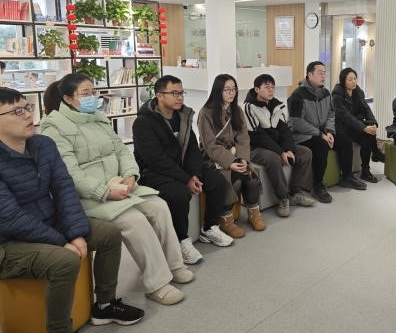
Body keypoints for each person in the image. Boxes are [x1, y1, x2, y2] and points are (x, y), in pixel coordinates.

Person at [0, 87, 144, 333]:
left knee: (109, 234)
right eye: (17, 111)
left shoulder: (43, 145)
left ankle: (104, 305)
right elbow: (9, 218)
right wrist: (61, 241)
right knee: (65, 260)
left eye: (28, 107)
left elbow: (64, 188)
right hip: (9, 242)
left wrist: (75, 233)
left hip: (48, 222)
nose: (28, 115)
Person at [41, 74, 193, 307]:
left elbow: (121, 150)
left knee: (159, 206)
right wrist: (104, 192)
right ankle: (157, 284)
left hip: (120, 185)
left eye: (94, 92)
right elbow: (70, 173)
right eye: (86, 94)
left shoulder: (99, 118)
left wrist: (131, 175)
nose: (93, 98)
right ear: (68, 98)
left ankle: (174, 265)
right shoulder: (54, 129)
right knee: (134, 220)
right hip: (91, 196)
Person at [133, 75, 232, 256]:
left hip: (183, 167)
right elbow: (155, 160)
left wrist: (194, 175)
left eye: (181, 93)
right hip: (154, 172)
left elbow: (193, 149)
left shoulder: (183, 116)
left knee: (217, 180)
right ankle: (181, 240)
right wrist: (186, 179)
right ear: (159, 95)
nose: (180, 97)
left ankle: (209, 227)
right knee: (179, 193)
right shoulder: (143, 122)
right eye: (174, 93)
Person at [288, 61, 366, 203]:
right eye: (320, 73)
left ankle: (347, 176)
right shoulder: (297, 95)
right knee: (321, 145)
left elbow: (331, 114)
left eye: (324, 73)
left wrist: (329, 131)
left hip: (322, 131)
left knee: (344, 140)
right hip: (302, 135)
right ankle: (318, 185)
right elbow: (296, 122)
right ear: (309, 74)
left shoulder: (326, 93)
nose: (323, 76)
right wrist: (320, 134)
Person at [198, 74, 265, 236]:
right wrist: (230, 162)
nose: (231, 93)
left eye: (234, 89)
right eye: (227, 89)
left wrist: (243, 159)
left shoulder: (237, 110)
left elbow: (243, 138)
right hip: (213, 158)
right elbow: (209, 145)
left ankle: (254, 213)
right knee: (234, 180)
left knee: (251, 177)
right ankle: (226, 219)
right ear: (218, 91)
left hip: (236, 155)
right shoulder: (206, 113)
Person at [243, 74, 316, 217]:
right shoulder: (248, 107)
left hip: (275, 145)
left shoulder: (277, 105)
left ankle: (295, 192)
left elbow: (284, 130)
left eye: (273, 87)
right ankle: (283, 198)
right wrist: (280, 152)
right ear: (257, 89)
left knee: (305, 152)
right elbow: (258, 136)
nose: (271, 90)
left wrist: (288, 149)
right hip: (255, 147)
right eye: (266, 87)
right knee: (273, 158)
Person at [332, 67, 384, 184]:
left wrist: (373, 123)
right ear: (343, 81)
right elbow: (345, 116)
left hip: (354, 126)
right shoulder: (337, 94)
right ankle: (347, 176)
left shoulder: (358, 92)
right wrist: (363, 127)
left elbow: (366, 108)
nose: (353, 82)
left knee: (368, 137)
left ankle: (365, 171)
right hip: (341, 127)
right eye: (350, 79)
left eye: (355, 78)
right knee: (347, 141)